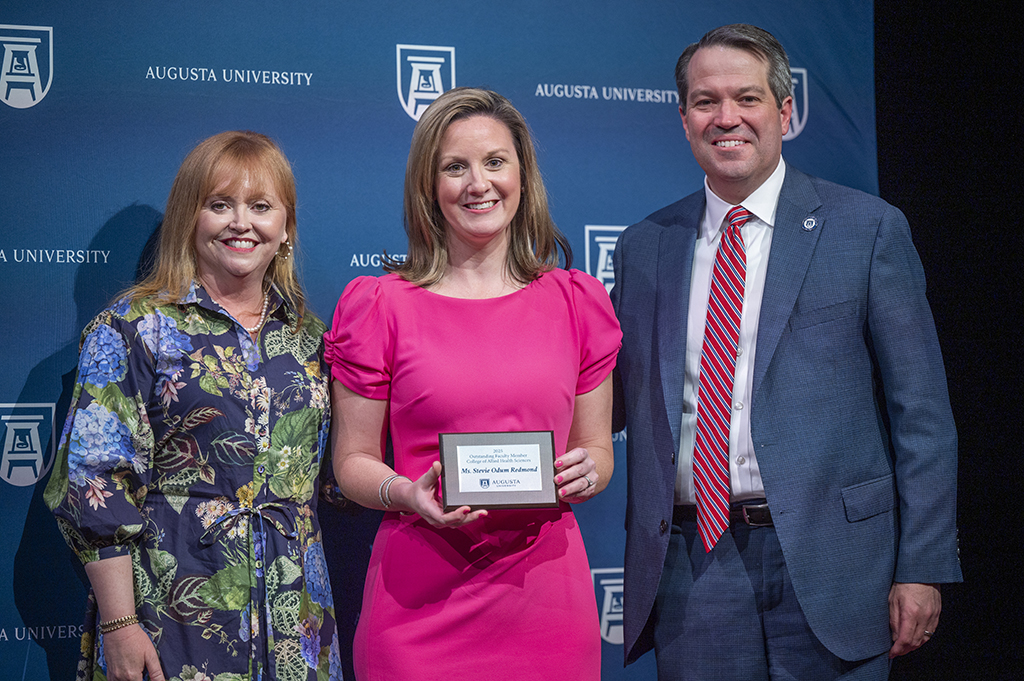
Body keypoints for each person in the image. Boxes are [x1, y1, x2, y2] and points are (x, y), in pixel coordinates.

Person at [612, 24, 961, 680]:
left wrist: (923, 564)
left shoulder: (868, 229)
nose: (727, 117)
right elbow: (609, 402)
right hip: (695, 564)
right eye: (705, 101)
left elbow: (922, 414)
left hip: (836, 563)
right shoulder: (643, 246)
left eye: (746, 97)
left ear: (784, 109)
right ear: (683, 117)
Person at [325, 87, 621, 681]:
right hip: (417, 605)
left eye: (494, 162)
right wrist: (407, 493)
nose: (477, 183)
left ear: (522, 174)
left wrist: (590, 470)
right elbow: (352, 460)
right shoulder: (380, 305)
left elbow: (597, 450)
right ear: (429, 186)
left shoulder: (576, 301)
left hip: (547, 603)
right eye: (454, 166)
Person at [45, 131, 342, 681]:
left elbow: (336, 473)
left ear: (285, 229)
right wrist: (119, 624)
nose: (240, 223)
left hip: (295, 619)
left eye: (260, 206)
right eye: (219, 204)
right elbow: (94, 483)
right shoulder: (135, 328)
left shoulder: (311, 342)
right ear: (190, 216)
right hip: (172, 616)